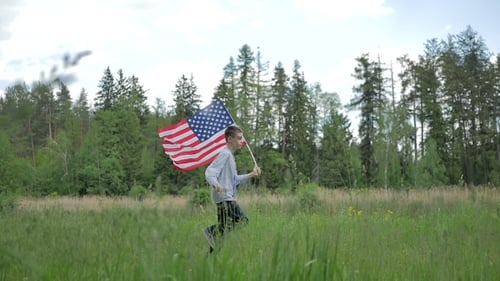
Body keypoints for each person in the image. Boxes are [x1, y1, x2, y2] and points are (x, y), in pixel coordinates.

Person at [202, 125, 261, 253]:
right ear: (230, 139)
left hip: (225, 197)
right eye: (239, 138)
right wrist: (216, 184)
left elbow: (234, 180)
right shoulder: (225, 154)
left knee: (220, 235)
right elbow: (210, 172)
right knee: (243, 220)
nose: (242, 141)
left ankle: (210, 260)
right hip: (225, 197)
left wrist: (251, 174)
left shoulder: (229, 155)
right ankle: (211, 231)